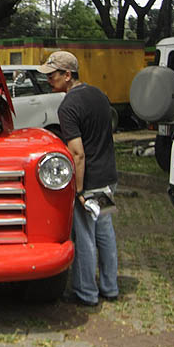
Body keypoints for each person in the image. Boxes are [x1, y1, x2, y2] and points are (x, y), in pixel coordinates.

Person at [37, 51, 119, 307]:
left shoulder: (69, 106)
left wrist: (79, 190)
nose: (49, 80)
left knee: (84, 236)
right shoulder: (100, 95)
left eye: (52, 75)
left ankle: (86, 292)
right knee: (105, 233)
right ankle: (110, 287)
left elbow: (77, 153)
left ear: (68, 75)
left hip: (90, 181)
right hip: (108, 176)